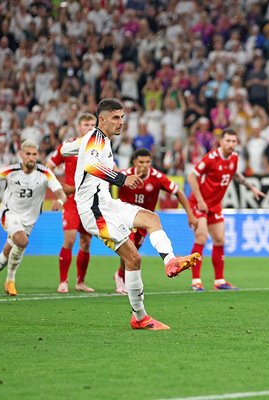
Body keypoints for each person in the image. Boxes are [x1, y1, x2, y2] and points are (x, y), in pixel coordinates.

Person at [60, 98, 200, 330]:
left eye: (122, 117)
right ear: (101, 119)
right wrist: (122, 178)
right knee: (133, 258)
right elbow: (90, 166)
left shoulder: (94, 139)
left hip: (106, 202)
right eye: (115, 117)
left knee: (151, 218)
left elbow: (65, 150)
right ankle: (140, 317)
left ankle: (170, 260)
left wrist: (74, 144)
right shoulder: (96, 139)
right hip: (94, 211)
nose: (121, 122)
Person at [0, 140, 67, 296]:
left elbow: (61, 193)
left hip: (30, 219)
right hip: (9, 213)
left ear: (38, 155)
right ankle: (10, 280)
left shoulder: (45, 173)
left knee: (9, 250)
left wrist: (59, 201)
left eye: (34, 154)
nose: (31, 158)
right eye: (28, 154)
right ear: (21, 155)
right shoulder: (11, 170)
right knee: (22, 241)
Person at [187, 128, 266, 291]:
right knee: (201, 237)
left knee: (220, 240)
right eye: (228, 141)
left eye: (234, 141)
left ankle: (219, 281)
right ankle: (196, 281)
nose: (231, 144)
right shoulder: (211, 158)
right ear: (221, 142)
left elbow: (234, 175)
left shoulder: (234, 158)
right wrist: (201, 201)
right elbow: (191, 176)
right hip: (199, 203)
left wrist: (251, 187)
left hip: (215, 205)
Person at [113, 148, 198, 294]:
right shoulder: (125, 176)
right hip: (125, 218)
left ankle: (120, 274)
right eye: (141, 162)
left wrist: (190, 214)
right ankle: (126, 280)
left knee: (133, 252)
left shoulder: (157, 177)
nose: (144, 165)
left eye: (147, 162)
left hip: (144, 221)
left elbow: (178, 192)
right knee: (130, 247)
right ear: (134, 162)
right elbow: (107, 183)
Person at [46, 113, 97, 293]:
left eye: (92, 124)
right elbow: (48, 167)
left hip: (90, 202)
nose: (90, 127)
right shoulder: (68, 146)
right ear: (79, 127)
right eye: (86, 124)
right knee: (69, 239)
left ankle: (80, 282)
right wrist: (58, 192)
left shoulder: (100, 147)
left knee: (85, 242)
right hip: (71, 201)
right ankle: (63, 281)